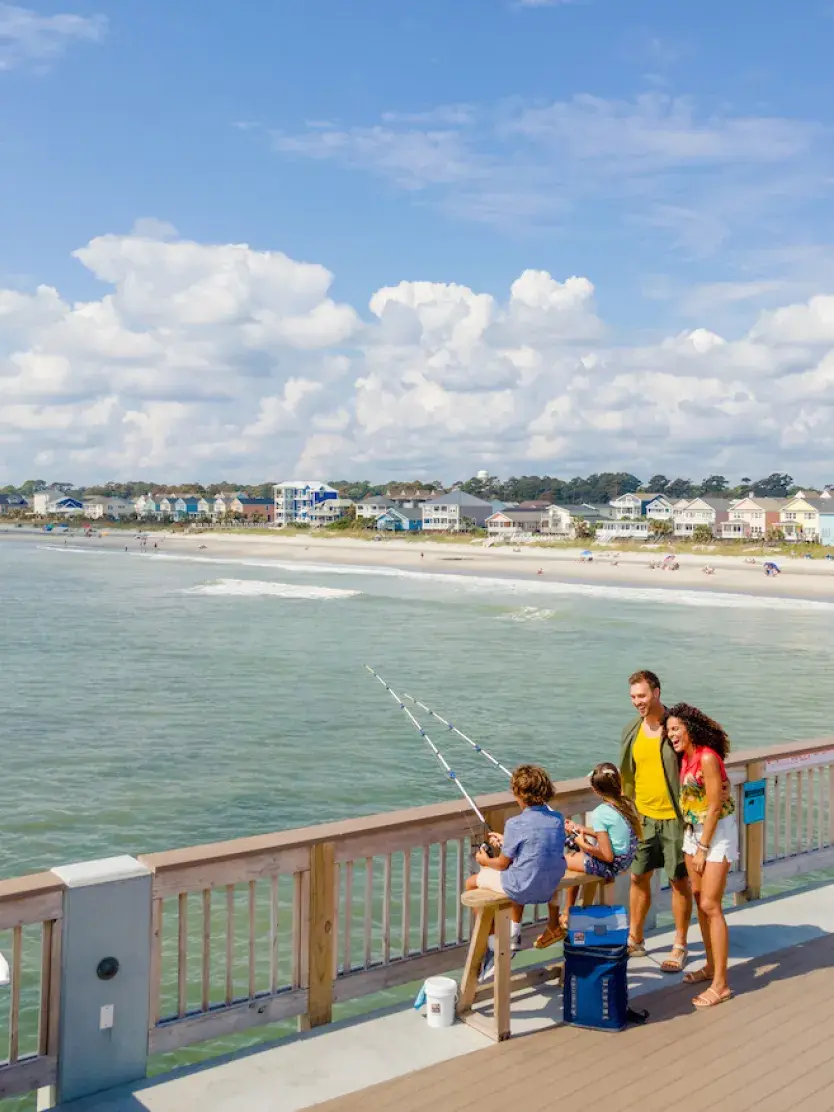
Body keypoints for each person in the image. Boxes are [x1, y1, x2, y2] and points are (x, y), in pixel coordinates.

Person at [664, 703, 737, 1008]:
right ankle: (710, 966)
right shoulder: (685, 757)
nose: (671, 735)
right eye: (668, 731)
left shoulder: (707, 757)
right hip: (693, 832)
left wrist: (703, 848)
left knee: (710, 904)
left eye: (676, 729)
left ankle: (721, 984)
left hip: (716, 834)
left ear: (690, 729)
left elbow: (716, 806)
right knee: (698, 897)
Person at [620, 670, 692, 972]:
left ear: (657, 693)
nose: (637, 701)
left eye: (642, 695)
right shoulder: (632, 729)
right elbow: (628, 773)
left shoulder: (675, 727)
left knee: (678, 880)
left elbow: (696, 760)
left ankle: (680, 945)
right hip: (643, 818)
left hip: (675, 818)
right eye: (633, 696)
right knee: (638, 877)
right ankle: (635, 939)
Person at [466, 764, 565, 978]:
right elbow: (535, 846)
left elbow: (502, 864)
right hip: (550, 886)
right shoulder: (557, 818)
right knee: (519, 870)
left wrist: (484, 860)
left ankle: (493, 943)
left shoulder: (515, 823)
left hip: (523, 887)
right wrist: (506, 841)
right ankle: (514, 933)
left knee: (472, 883)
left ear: (519, 794)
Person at [534, 762, 641, 948]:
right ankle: (568, 913)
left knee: (556, 863)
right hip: (625, 861)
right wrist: (581, 829)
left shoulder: (601, 813)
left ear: (595, 790)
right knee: (575, 856)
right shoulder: (624, 804)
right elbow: (611, 835)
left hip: (611, 864)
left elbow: (607, 856)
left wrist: (582, 843)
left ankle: (559, 920)